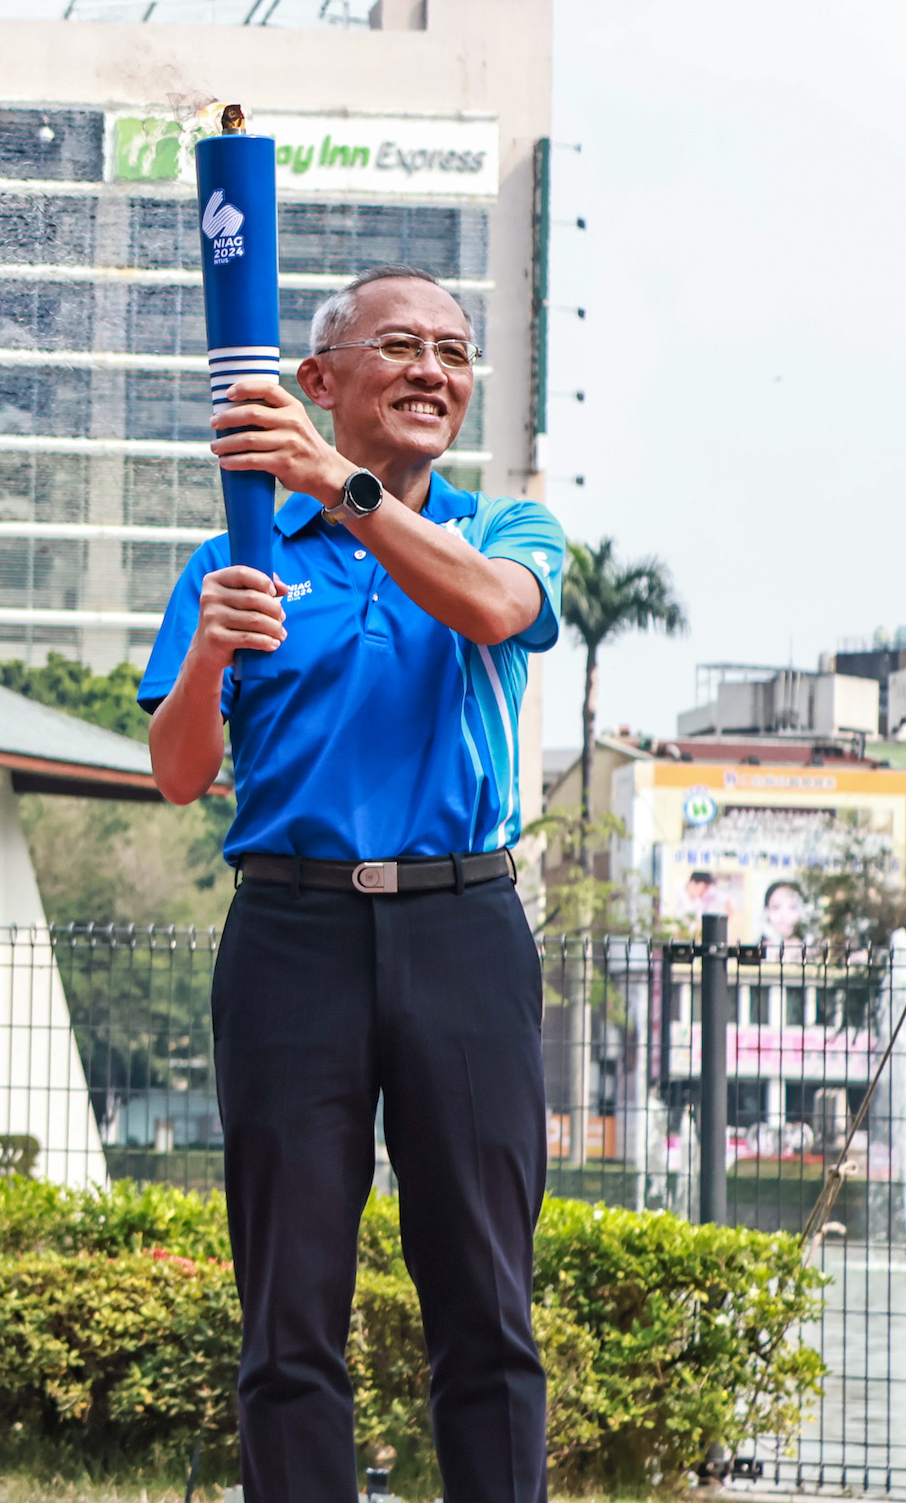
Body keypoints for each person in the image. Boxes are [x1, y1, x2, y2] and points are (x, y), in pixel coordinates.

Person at [140, 264, 566, 1503]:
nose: (433, 370)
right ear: (321, 380)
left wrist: (338, 483)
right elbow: (178, 774)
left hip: (463, 925)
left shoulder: (504, 532)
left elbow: (495, 612)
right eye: (400, 347)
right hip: (292, 934)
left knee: (485, 1298)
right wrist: (211, 652)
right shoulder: (238, 556)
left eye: (453, 351)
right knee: (288, 1307)